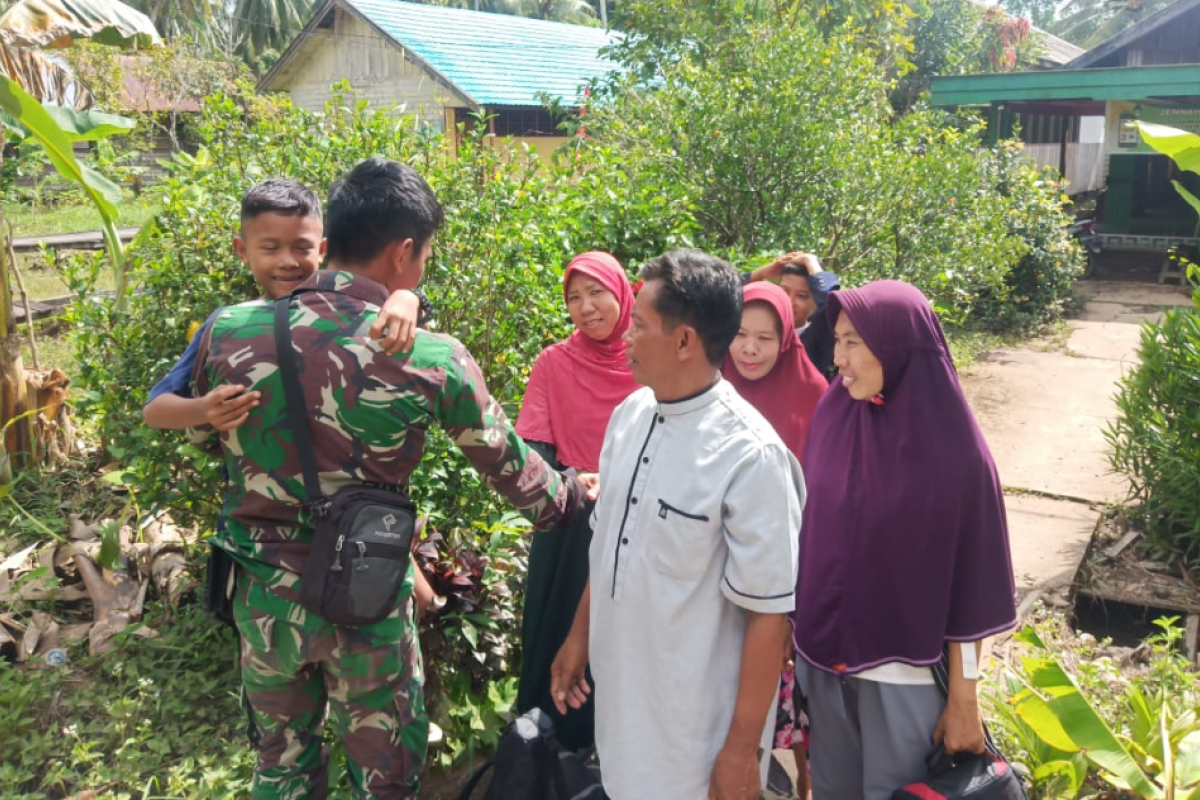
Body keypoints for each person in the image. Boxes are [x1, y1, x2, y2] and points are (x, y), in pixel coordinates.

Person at [185, 158, 589, 799]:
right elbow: (523, 481)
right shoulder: (429, 357)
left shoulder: (228, 331)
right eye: (423, 257)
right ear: (405, 252)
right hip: (365, 601)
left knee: (281, 768)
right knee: (386, 779)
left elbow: (207, 434)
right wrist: (576, 494)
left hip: (262, 599)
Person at [551, 249, 805, 800]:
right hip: (624, 709)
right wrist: (578, 638)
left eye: (639, 325)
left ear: (686, 341)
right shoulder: (631, 416)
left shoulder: (751, 457)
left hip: (697, 734)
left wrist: (739, 754)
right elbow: (611, 544)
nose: (626, 336)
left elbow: (769, 614)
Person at [141, 178, 441, 615]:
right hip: (265, 545)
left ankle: (425, 597)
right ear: (242, 250)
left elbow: (398, 307)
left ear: (322, 249)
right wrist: (202, 410)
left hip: (357, 528)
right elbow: (155, 410)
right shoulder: (229, 329)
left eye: (300, 248)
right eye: (270, 248)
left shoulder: (350, 317)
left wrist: (407, 297)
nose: (287, 262)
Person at [792, 280, 1018, 800]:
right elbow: (810, 530)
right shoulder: (833, 413)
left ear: (898, 346)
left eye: (854, 342)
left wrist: (965, 697)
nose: (838, 357)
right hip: (824, 661)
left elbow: (973, 585)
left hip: (904, 673)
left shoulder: (954, 450)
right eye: (837, 340)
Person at [514, 251, 639, 751]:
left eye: (596, 293)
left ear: (622, 292)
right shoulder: (554, 362)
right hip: (572, 520)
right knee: (558, 631)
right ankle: (547, 748)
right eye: (573, 298)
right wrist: (572, 480)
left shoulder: (646, 356)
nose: (586, 308)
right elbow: (532, 451)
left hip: (638, 518)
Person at [722, 280, 827, 799]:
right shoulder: (709, 388)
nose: (749, 349)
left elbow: (823, 505)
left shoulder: (816, 397)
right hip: (722, 573)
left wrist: (795, 603)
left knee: (790, 691)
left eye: (765, 338)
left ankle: (805, 781)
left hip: (790, 573)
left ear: (787, 338)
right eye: (740, 334)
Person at [746, 252, 840, 376]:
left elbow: (832, 304)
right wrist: (757, 274)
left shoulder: (817, 339)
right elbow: (728, 300)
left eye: (802, 296)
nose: (789, 301)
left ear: (815, 303)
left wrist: (809, 260)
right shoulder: (750, 329)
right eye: (784, 291)